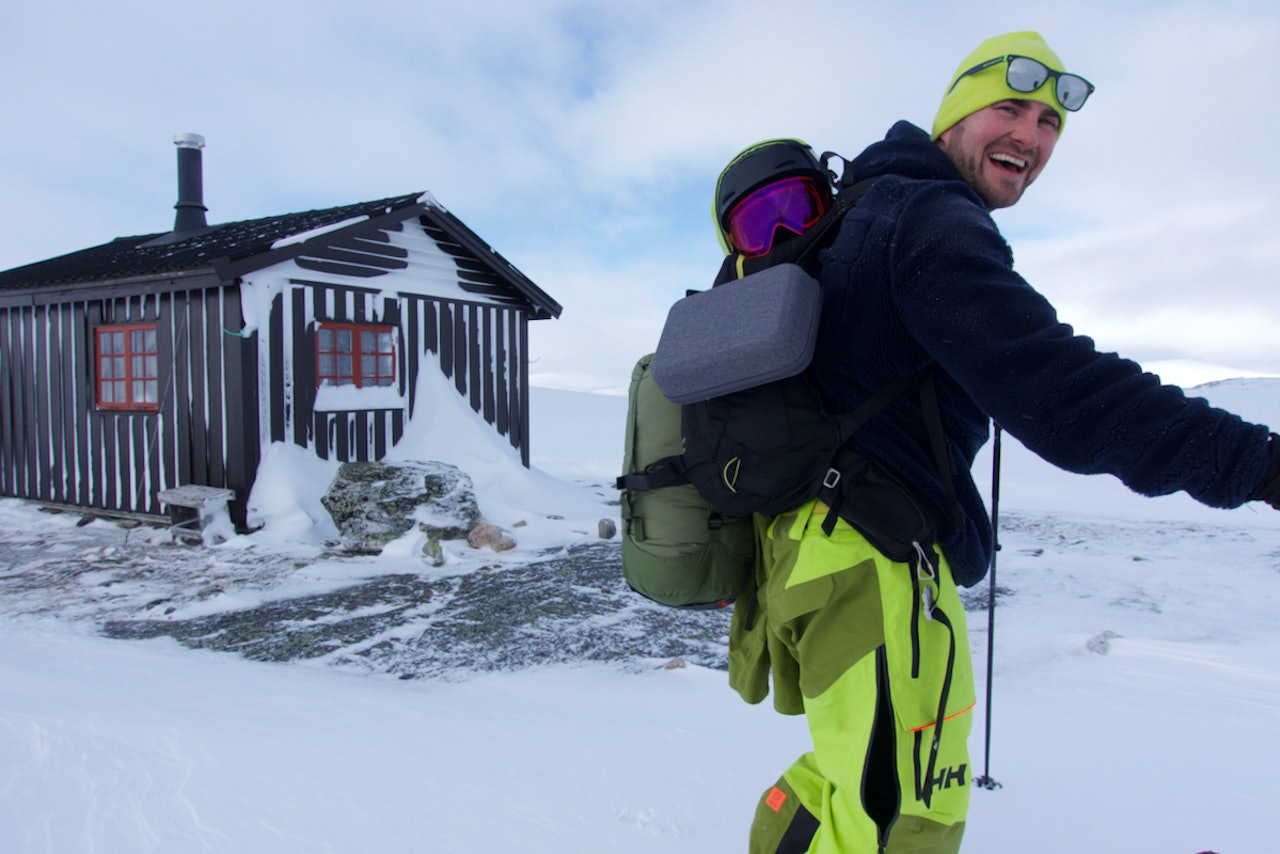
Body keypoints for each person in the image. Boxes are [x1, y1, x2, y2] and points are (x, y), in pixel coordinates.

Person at [723, 30, 1280, 854]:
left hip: (813, 553)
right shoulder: (926, 217)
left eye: (1052, 122)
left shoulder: (865, 210)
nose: (1032, 134)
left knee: (850, 787)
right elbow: (1067, 395)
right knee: (904, 822)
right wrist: (1259, 463)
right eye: (1010, 107)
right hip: (872, 559)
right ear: (951, 118)